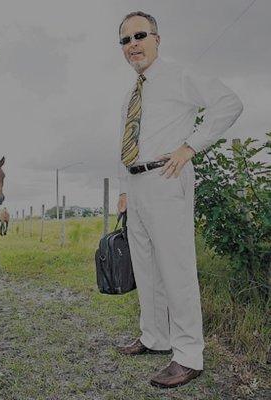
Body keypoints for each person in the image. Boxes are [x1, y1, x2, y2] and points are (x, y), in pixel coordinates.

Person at [115, 11, 243, 388]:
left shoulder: (179, 76)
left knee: (176, 268)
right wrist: (124, 187)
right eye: (125, 40)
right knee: (147, 267)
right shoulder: (131, 92)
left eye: (140, 36)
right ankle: (155, 337)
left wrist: (190, 147)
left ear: (157, 38)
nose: (133, 45)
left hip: (167, 178)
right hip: (137, 184)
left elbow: (229, 104)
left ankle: (188, 355)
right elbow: (127, 140)